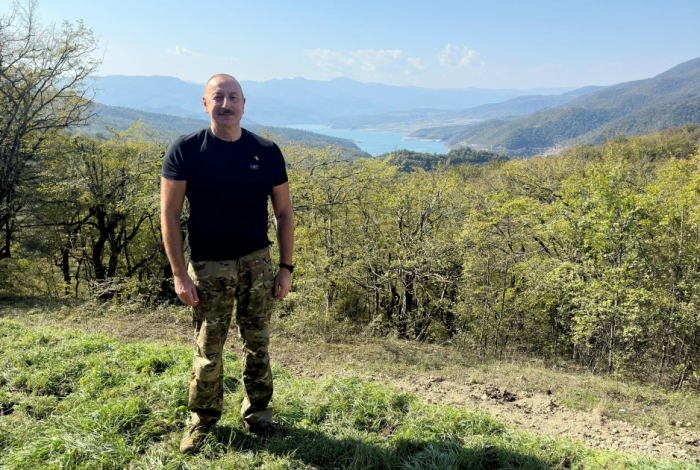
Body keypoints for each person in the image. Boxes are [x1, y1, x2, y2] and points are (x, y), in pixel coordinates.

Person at [160, 73, 294, 454]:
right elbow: (168, 214)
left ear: (244, 104)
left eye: (233, 97)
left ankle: (260, 417)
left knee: (259, 346)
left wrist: (286, 267)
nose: (226, 105)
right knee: (208, 350)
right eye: (217, 98)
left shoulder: (266, 151)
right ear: (205, 104)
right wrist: (179, 274)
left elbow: (284, 213)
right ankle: (201, 421)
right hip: (208, 268)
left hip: (257, 264)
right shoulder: (185, 149)